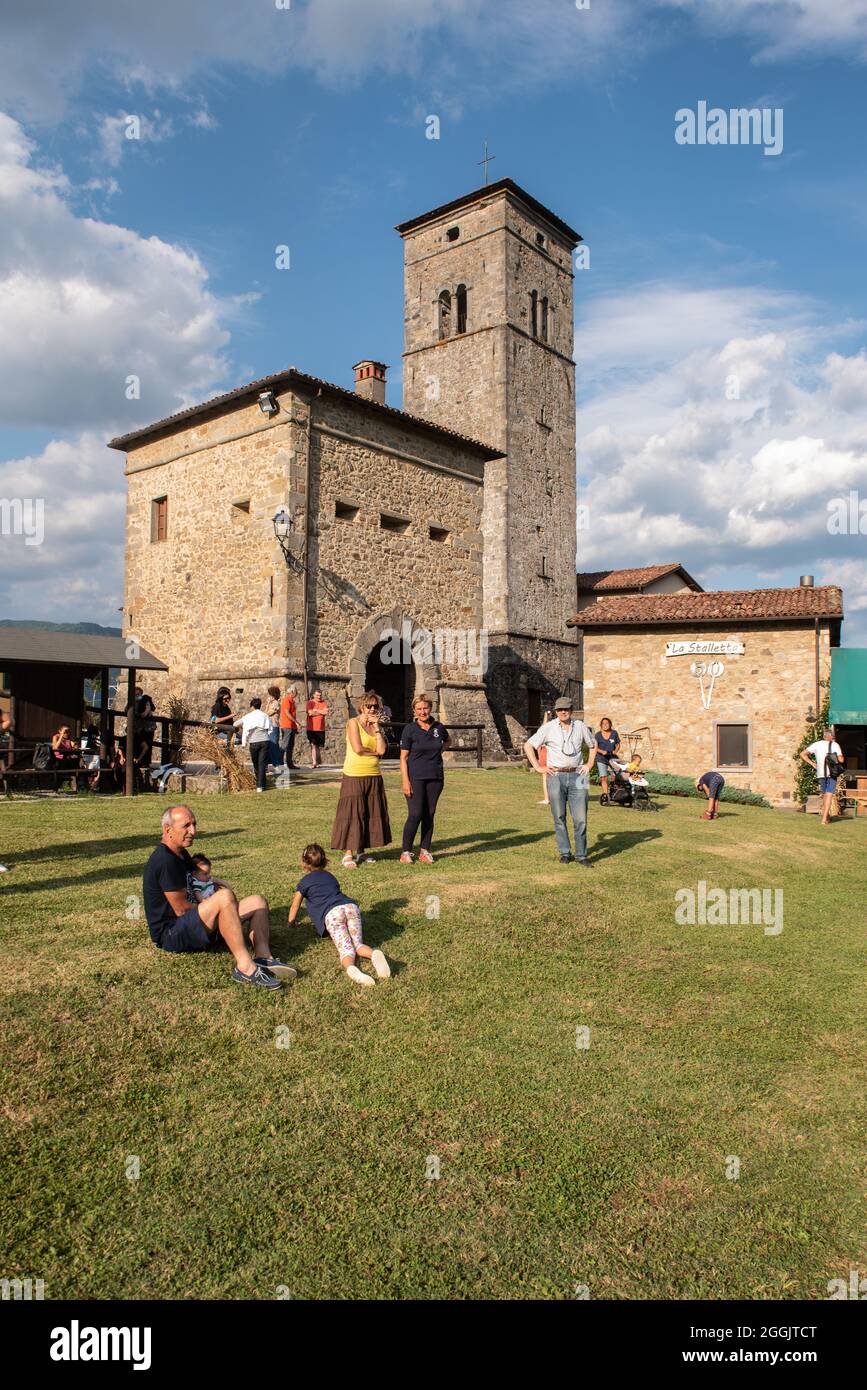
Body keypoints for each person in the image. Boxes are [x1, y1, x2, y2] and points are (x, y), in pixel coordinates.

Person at [142, 804, 296, 988]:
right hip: (171, 933)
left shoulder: (181, 854)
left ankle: (263, 956)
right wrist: (217, 907)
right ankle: (245, 968)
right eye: (186, 826)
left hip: (193, 921)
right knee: (224, 898)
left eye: (194, 824)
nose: (193, 831)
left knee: (258, 902)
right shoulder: (165, 860)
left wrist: (219, 907)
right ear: (168, 829)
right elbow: (181, 910)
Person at [288, 842, 391, 988]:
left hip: (333, 914)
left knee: (347, 950)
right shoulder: (330, 876)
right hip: (350, 907)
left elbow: (295, 905)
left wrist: (291, 922)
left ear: (304, 863)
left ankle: (351, 968)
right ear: (324, 861)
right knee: (358, 944)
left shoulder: (304, 882)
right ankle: (374, 954)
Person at [523, 696, 597, 866]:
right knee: (559, 816)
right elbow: (528, 745)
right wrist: (538, 767)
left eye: (566, 709)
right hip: (555, 775)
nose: (563, 712)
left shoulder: (580, 726)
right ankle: (565, 852)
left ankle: (581, 856)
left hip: (579, 775)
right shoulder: (548, 728)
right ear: (556, 711)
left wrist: (590, 764)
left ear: (571, 710)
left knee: (581, 818)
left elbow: (593, 744)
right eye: (560, 709)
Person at [330, 690, 391, 868]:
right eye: (368, 706)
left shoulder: (375, 727)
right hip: (354, 774)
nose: (372, 709)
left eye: (375, 706)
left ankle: (361, 851)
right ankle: (348, 853)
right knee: (352, 813)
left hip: (373, 775)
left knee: (369, 813)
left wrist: (378, 729)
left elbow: (383, 750)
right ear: (361, 707)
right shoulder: (353, 723)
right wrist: (374, 753)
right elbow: (358, 748)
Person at [399, 692, 449, 864]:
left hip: (435, 777)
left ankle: (425, 850)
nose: (422, 711)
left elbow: (447, 741)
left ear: (430, 708)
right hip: (415, 778)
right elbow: (403, 757)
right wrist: (405, 781)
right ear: (414, 710)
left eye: (425, 708)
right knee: (415, 814)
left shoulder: (439, 727)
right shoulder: (409, 730)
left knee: (430, 813)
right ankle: (406, 851)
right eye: (419, 709)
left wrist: (438, 752)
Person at [800, 727, 845, 827]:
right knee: (829, 795)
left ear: (824, 736)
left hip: (820, 773)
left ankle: (826, 816)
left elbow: (802, 754)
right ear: (830, 736)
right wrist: (838, 757)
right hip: (832, 773)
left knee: (825, 795)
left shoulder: (817, 744)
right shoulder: (835, 745)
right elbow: (841, 760)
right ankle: (824, 819)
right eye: (832, 736)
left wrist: (812, 763)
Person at [233, 697, 273, 792]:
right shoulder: (265, 715)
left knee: (256, 764)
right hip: (265, 741)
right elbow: (270, 728)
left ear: (252, 706)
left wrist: (245, 726)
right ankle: (261, 784)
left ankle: (259, 784)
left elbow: (235, 724)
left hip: (254, 741)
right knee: (262, 763)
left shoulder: (248, 716)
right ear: (260, 706)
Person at [594, 717, 622, 805]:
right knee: (604, 777)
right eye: (603, 724)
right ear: (601, 725)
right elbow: (594, 747)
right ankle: (606, 796)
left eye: (607, 723)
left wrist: (615, 751)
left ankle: (617, 793)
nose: (605, 725)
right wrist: (602, 751)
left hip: (612, 757)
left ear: (610, 724)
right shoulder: (598, 735)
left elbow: (618, 744)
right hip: (601, 758)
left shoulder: (614, 733)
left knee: (618, 775)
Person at [305, 688, 328, 769]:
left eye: (320, 695)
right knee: (313, 745)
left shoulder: (324, 703)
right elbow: (310, 713)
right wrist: (321, 711)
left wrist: (316, 710)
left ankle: (316, 762)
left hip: (321, 728)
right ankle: (314, 762)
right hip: (312, 728)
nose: (319, 697)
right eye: (317, 695)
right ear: (313, 695)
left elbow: (326, 712)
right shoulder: (310, 703)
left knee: (318, 746)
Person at [279, 684, 299, 770]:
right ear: (292, 692)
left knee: (290, 745)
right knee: (284, 745)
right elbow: (287, 713)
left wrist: (295, 725)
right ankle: (279, 763)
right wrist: (296, 722)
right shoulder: (286, 700)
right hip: (287, 726)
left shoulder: (292, 701)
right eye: (296, 692)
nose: (296, 693)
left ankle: (290, 764)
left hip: (292, 726)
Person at [536, 708, 553, 806]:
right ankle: (551, 798)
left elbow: (538, 744)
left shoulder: (544, 729)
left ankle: (547, 799)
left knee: (546, 777)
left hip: (546, 752)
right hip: (548, 752)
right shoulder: (555, 728)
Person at [263, 685, 282, 770]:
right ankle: (270, 764)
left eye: (270, 694)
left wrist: (268, 704)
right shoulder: (271, 703)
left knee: (274, 745)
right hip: (269, 726)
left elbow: (268, 713)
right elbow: (265, 713)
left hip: (274, 726)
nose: (269, 696)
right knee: (269, 745)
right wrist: (267, 704)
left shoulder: (276, 703)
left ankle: (277, 764)